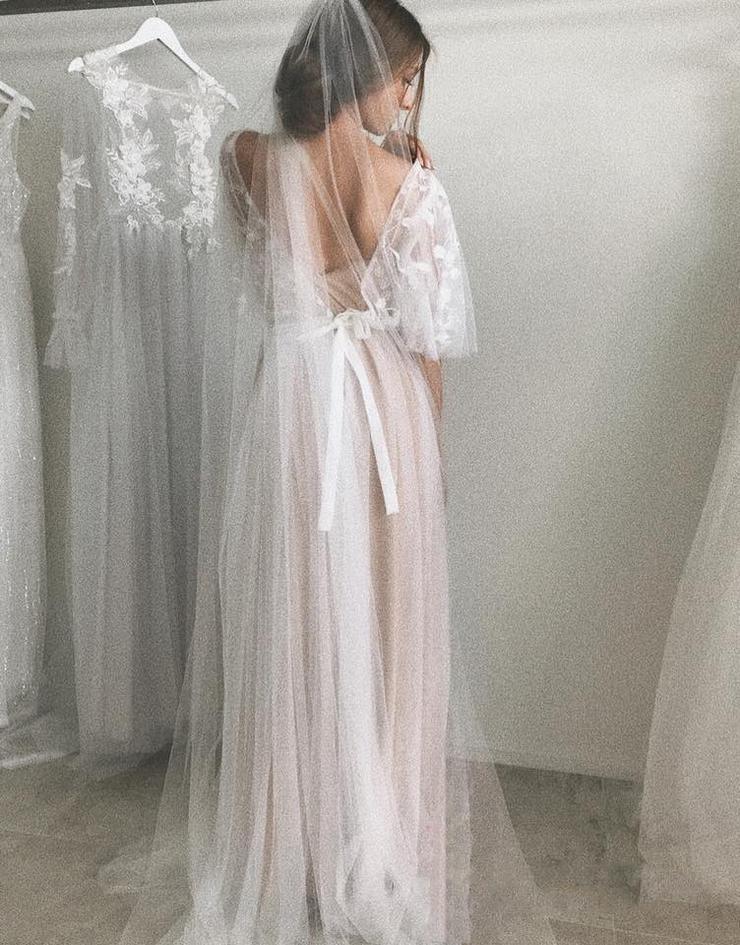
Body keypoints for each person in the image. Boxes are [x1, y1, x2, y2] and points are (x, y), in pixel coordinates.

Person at [102, 2, 559, 944]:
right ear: (370, 74)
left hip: (288, 411)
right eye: (406, 79)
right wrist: (432, 458)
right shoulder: (407, 183)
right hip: (379, 416)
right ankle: (372, 841)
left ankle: (288, 844)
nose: (409, 100)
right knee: (386, 624)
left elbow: (256, 275)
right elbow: (427, 341)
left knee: (292, 620)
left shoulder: (242, 160)